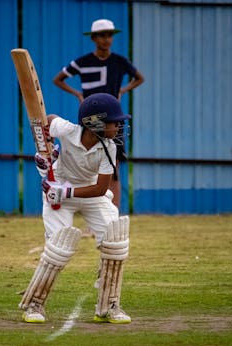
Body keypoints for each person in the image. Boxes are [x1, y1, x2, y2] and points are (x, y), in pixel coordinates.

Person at [19, 93, 132, 324]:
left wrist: (67, 192)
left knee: (115, 239)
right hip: (58, 187)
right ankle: (35, 304)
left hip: (87, 191)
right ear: (95, 123)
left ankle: (109, 306)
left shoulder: (109, 147)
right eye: (114, 121)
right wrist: (46, 152)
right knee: (58, 246)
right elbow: (47, 119)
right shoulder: (69, 130)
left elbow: (101, 188)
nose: (119, 125)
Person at [53, 19, 144, 208]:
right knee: (89, 168)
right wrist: (78, 94)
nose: (106, 39)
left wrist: (122, 91)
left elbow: (139, 78)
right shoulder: (82, 62)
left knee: (113, 168)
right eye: (102, 35)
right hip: (91, 121)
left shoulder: (119, 61)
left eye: (109, 35)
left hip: (113, 121)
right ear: (94, 38)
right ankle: (92, 216)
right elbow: (58, 79)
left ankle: (113, 215)